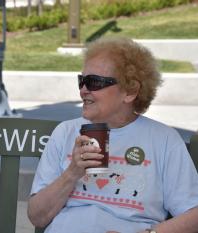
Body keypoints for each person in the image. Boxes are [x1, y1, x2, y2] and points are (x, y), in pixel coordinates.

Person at [28, 37, 198, 233]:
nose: (83, 90)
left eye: (94, 82)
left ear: (130, 91)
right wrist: (72, 172)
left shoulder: (163, 140)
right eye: (82, 81)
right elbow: (37, 217)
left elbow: (193, 215)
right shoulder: (65, 133)